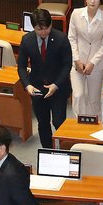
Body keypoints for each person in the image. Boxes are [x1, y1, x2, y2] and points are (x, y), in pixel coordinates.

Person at [18, 8, 73, 143]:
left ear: (51, 25)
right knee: (43, 124)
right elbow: (21, 67)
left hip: (58, 86)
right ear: (33, 27)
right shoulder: (27, 40)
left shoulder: (61, 38)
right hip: (37, 87)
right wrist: (27, 85)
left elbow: (67, 64)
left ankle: (64, 149)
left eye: (46, 28)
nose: (43, 32)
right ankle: (47, 151)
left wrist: (56, 85)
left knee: (59, 122)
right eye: (39, 29)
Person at [69, 0, 103, 118]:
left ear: (100, 1)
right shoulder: (76, 14)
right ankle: (79, 123)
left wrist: (92, 62)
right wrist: (76, 59)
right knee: (78, 95)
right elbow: (71, 38)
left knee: (93, 99)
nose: (93, 1)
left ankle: (94, 125)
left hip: (96, 64)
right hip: (78, 62)